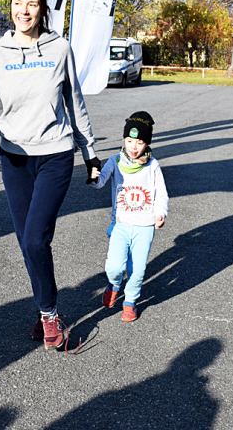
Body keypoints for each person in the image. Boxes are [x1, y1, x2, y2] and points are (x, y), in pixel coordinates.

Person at [0, 0, 100, 351]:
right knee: (28, 243)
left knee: (36, 238)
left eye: (32, 4)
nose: (23, 10)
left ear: (43, 10)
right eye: (18, 3)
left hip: (55, 155)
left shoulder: (59, 48)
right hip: (14, 158)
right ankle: (46, 310)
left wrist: (90, 153)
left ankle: (50, 312)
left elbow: (75, 103)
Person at [89, 111, 169, 322]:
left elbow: (161, 193)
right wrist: (94, 176)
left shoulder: (153, 165)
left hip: (144, 226)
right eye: (129, 140)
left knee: (137, 269)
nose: (133, 147)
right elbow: (101, 181)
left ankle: (130, 302)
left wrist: (161, 212)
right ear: (124, 139)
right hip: (121, 224)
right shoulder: (115, 160)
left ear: (147, 143)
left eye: (140, 142)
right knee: (114, 266)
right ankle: (114, 285)